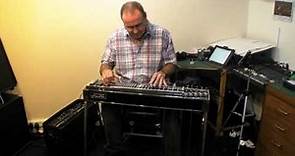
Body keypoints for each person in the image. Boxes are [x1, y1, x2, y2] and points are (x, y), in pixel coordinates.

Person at [99, 1, 180, 156]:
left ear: (145, 17)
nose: (135, 31)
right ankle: (115, 150)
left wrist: (163, 72)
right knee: (107, 105)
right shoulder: (114, 37)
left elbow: (172, 63)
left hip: (154, 89)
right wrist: (106, 70)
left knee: (173, 109)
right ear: (123, 23)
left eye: (138, 25)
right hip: (125, 90)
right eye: (129, 27)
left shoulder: (163, 34)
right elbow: (105, 63)